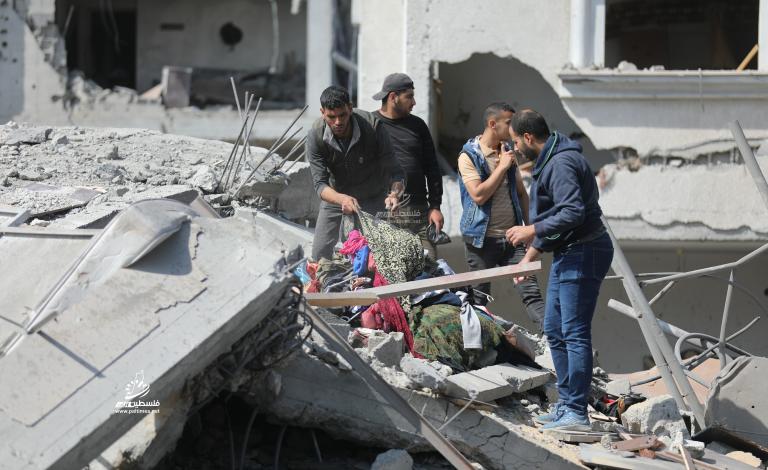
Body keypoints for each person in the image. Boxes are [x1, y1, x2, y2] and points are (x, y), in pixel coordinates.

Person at [506, 109, 613, 432]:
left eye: (515, 142)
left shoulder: (561, 164)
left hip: (585, 251)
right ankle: (566, 404)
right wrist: (529, 258)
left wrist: (530, 230)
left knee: (574, 331)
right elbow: (557, 226)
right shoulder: (550, 161)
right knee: (554, 328)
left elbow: (572, 213)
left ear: (528, 138)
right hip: (569, 251)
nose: (514, 149)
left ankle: (577, 413)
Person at [456, 102, 546, 331]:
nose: (514, 127)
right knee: (479, 299)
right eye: (509, 122)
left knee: (531, 293)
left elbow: (521, 193)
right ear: (492, 124)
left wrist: (530, 230)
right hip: (480, 241)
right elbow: (478, 195)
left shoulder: (507, 151)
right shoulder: (468, 156)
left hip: (512, 239)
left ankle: (555, 341)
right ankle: (478, 345)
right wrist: (502, 167)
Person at [307, 85, 405, 260]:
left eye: (342, 115)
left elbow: (396, 173)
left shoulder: (373, 127)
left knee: (377, 258)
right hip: (336, 197)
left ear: (350, 108)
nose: (338, 122)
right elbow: (320, 185)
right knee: (319, 255)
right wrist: (342, 199)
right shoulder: (316, 135)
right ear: (322, 113)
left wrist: (394, 195)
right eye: (331, 117)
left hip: (373, 198)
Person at [372, 73, 444, 257]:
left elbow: (432, 168)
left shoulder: (418, 125)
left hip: (419, 212)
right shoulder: (371, 125)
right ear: (393, 97)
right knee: (391, 267)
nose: (414, 102)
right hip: (384, 213)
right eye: (409, 97)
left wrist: (435, 206)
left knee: (430, 264)